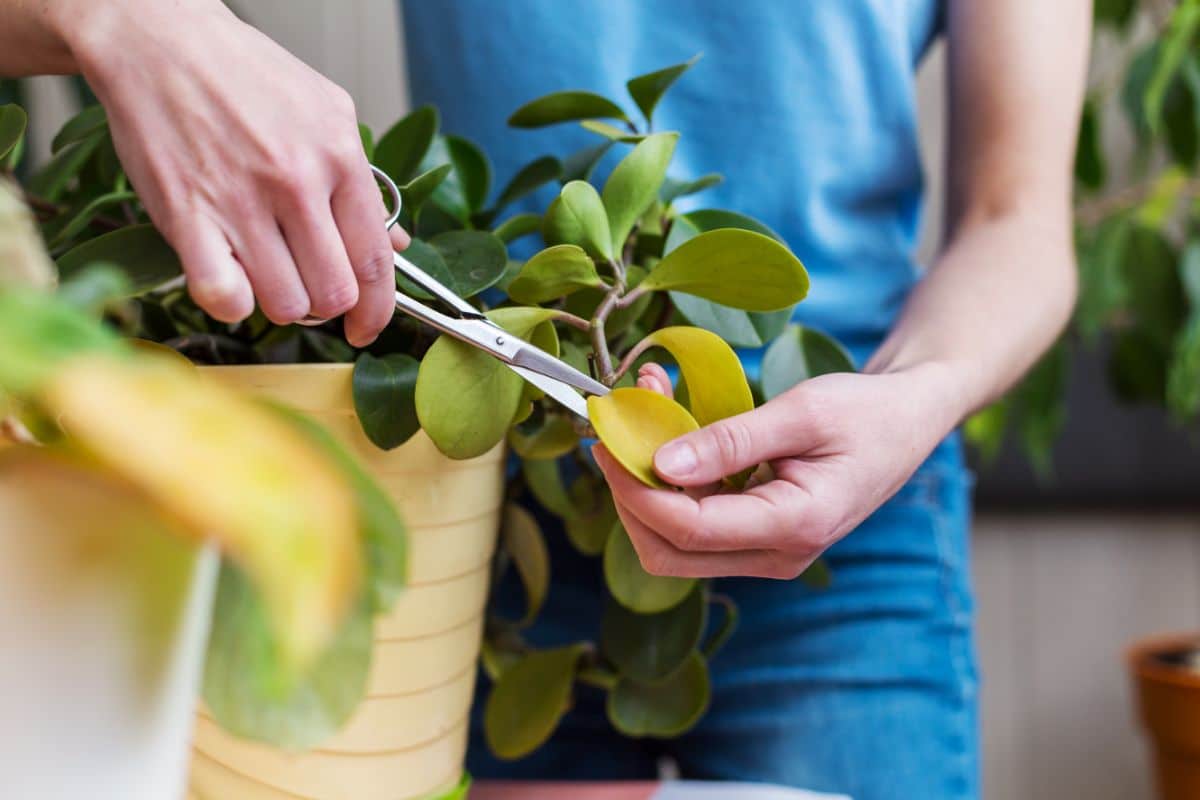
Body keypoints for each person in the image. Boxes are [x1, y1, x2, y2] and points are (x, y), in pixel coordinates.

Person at [2, 1, 1090, 797]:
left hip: (849, 527)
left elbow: (1019, 221)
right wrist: (134, 23)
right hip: (483, 529)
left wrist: (915, 395)